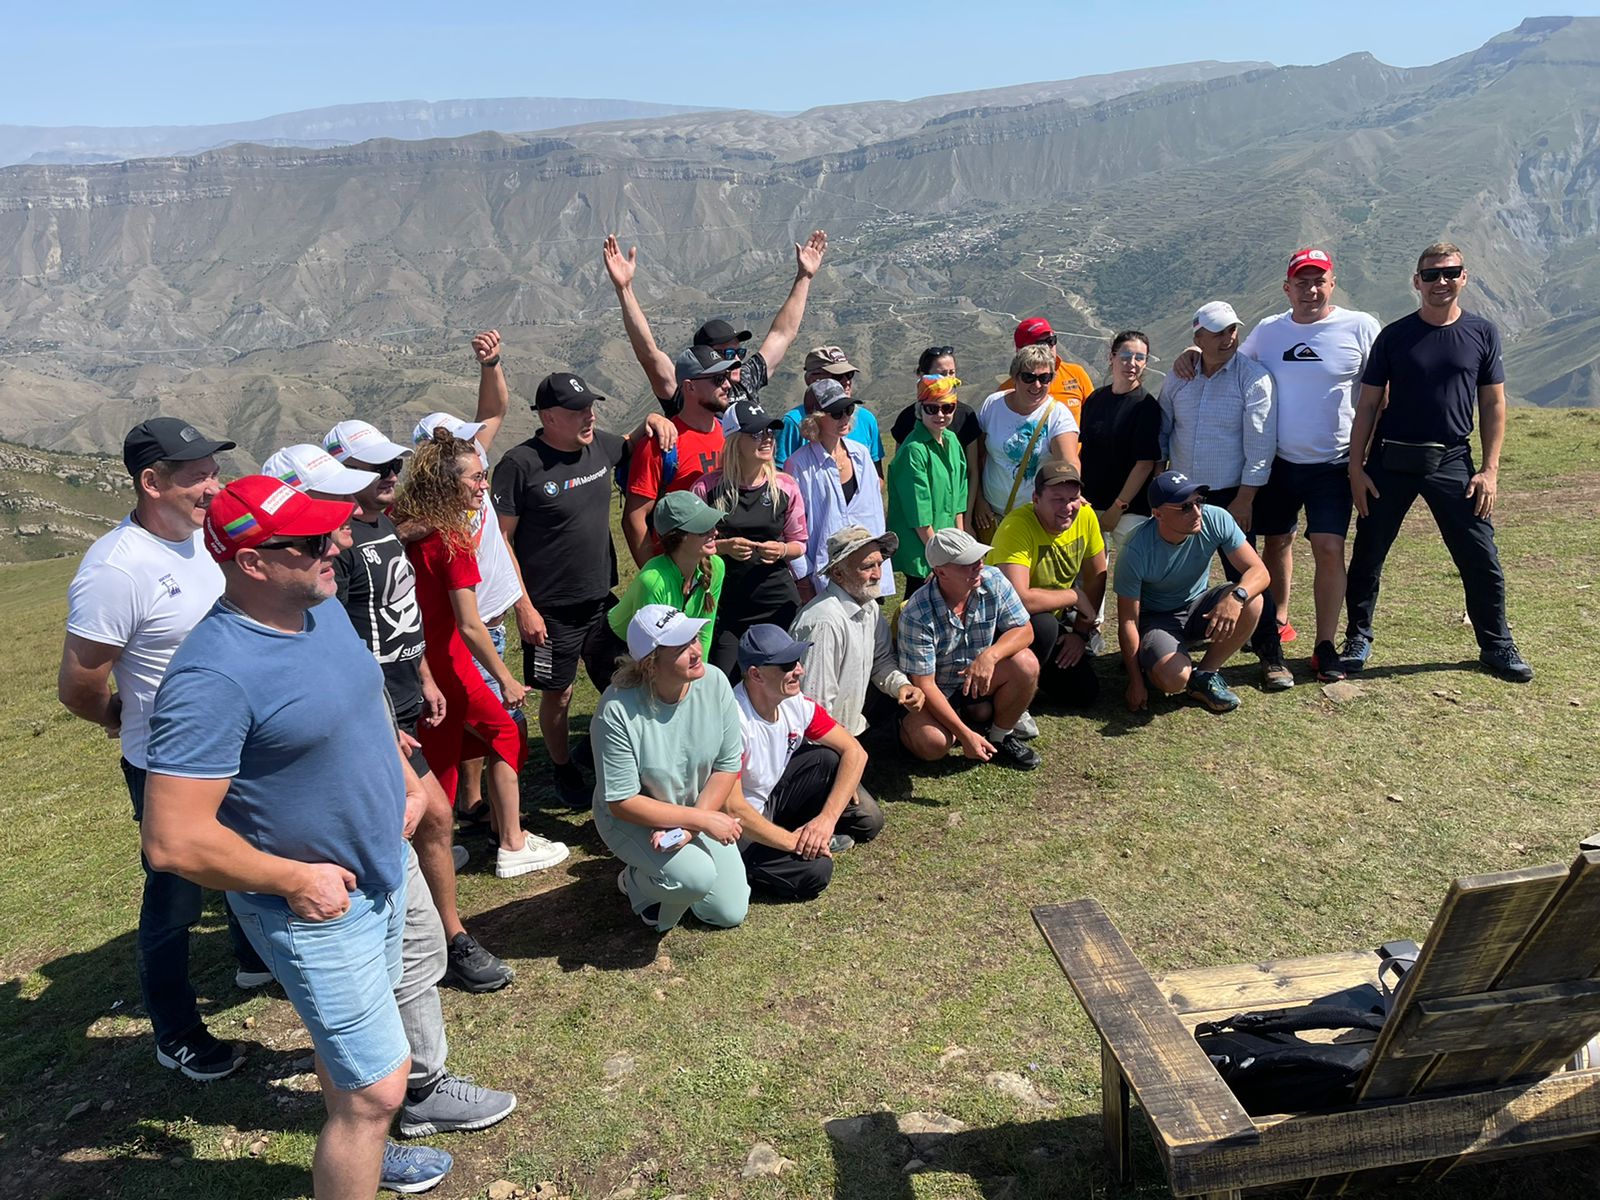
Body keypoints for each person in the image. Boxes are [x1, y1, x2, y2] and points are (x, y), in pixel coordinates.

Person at [141, 475, 454, 1198]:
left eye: (331, 531)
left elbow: (364, 697)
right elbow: (173, 840)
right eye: (313, 540)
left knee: (360, 1069)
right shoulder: (211, 676)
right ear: (251, 562)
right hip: (318, 907)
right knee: (376, 1092)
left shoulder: (319, 608)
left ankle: (367, 1149)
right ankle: (364, 1138)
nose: (336, 545)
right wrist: (294, 879)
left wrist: (406, 780)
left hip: (383, 867)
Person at [58, 417, 271, 1082]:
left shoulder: (209, 538)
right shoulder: (116, 570)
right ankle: (176, 1034)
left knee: (247, 855)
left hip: (238, 747)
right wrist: (123, 719)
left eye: (214, 470)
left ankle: (253, 961)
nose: (215, 486)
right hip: (169, 765)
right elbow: (79, 685)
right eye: (197, 475)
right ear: (151, 483)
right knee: (175, 898)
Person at [261, 442, 513, 994]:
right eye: (371, 469)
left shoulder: (372, 533)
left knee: (432, 816)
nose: (387, 476)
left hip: (391, 702)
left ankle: (442, 938)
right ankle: (397, 946)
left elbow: (400, 612)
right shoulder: (315, 568)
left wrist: (423, 676)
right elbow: (334, 644)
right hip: (363, 714)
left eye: (392, 466)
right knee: (401, 824)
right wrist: (372, 715)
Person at [1344, 242, 1533, 683]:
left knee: (1480, 554)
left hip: (1452, 458)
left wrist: (1490, 470)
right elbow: (1367, 405)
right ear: (1417, 282)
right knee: (1369, 554)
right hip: (1390, 458)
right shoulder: (1394, 336)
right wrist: (1356, 468)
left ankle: (1497, 644)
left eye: (1450, 273)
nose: (1440, 282)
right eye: (1431, 275)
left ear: (1464, 277)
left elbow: (1493, 403)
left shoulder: (1482, 332)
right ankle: (1357, 638)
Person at [490, 369, 677, 807]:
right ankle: (563, 767)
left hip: (601, 601)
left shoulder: (598, 447)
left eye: (590, 407)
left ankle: (609, 753)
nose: (589, 416)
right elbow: (501, 540)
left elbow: (627, 444)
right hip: (549, 609)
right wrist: (523, 607)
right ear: (549, 416)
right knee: (559, 693)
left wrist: (652, 419)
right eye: (577, 411)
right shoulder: (520, 465)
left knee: (628, 676)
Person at [397, 430, 566, 878]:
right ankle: (512, 843)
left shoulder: (408, 529)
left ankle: (430, 854)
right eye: (475, 478)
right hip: (451, 665)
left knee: (442, 761)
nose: (484, 486)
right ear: (446, 484)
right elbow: (470, 624)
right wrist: (505, 679)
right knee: (506, 734)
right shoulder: (453, 541)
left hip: (421, 664)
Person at [1158, 301, 1290, 690]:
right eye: (1218, 332)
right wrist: (1159, 481)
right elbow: (1164, 429)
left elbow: (1260, 444)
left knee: (1245, 574)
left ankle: (1271, 654)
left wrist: (1245, 498)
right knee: (1169, 570)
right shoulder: (1180, 377)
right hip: (1182, 491)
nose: (1228, 338)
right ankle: (1160, 645)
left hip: (1232, 493)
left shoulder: (1253, 378)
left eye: (1232, 329)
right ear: (1197, 336)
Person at [592, 605, 750, 933]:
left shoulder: (715, 682)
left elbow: (726, 766)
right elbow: (622, 802)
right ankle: (637, 883)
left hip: (693, 806)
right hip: (632, 819)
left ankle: (667, 877)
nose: (696, 651)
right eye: (681, 647)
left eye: (694, 638)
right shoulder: (616, 710)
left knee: (729, 911)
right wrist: (703, 821)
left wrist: (690, 827)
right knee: (695, 878)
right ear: (650, 663)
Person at [723, 625, 882, 902]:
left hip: (770, 797)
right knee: (816, 872)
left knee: (867, 818)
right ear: (756, 674)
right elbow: (733, 808)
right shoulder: (735, 722)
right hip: (740, 824)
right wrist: (794, 843)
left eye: (797, 661)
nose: (800, 670)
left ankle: (808, 834)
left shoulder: (794, 701)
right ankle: (748, 869)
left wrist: (826, 820)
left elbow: (855, 752)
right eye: (787, 665)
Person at [602, 230, 827, 418]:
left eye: (739, 352)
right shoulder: (688, 392)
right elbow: (650, 356)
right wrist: (624, 290)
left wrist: (804, 277)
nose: (737, 359)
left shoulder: (746, 378)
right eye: (727, 353)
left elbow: (782, 334)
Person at [1114, 470, 1273, 715]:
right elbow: (1128, 620)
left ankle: (1206, 673)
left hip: (1198, 606)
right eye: (1185, 507)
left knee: (1252, 600)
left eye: (1199, 502)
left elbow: (1259, 572)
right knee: (1174, 680)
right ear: (1158, 514)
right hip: (1157, 619)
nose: (1197, 512)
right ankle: (1153, 662)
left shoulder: (1216, 518)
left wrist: (1236, 597)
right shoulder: (1135, 549)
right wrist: (1135, 681)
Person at [896, 528, 1041, 771]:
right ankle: (911, 727)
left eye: (980, 558)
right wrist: (965, 736)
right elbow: (925, 684)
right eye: (968, 563)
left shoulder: (993, 579)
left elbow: (1025, 630)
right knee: (933, 743)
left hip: (973, 681)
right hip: (937, 691)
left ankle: (1000, 736)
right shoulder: (917, 613)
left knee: (1026, 663)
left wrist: (990, 656)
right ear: (940, 572)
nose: (979, 565)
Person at [692, 400, 808, 677]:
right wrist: (723, 547)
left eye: (769, 432)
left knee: (784, 678)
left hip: (777, 601)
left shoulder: (785, 486)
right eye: (756, 433)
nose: (767, 439)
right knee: (724, 679)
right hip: (726, 605)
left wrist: (781, 550)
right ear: (734, 440)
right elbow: (689, 547)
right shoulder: (706, 489)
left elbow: (799, 543)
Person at [988, 458, 1107, 709]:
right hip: (999, 626)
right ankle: (1011, 694)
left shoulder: (1086, 516)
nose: (1068, 507)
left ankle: (1029, 680)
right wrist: (1074, 597)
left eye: (1073, 498)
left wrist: (1080, 633)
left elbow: (1097, 575)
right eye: (1057, 499)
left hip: (1050, 624)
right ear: (1036, 498)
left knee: (1084, 693)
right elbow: (1019, 599)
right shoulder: (1015, 526)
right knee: (1042, 624)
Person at [790, 525, 924, 738]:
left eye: (879, 564)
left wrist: (901, 686)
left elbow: (881, 659)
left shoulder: (869, 606)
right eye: (867, 567)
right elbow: (815, 704)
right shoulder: (824, 623)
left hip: (848, 730)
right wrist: (847, 748)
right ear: (838, 573)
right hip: (823, 741)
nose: (877, 575)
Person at [622, 345, 738, 567]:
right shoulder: (660, 444)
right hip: (680, 568)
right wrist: (657, 575)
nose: (727, 384)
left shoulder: (729, 435)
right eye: (717, 379)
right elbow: (634, 518)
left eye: (726, 376)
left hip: (726, 566)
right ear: (689, 387)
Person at [783, 378, 894, 601]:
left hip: (870, 575)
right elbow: (792, 527)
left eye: (848, 410)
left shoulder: (862, 455)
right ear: (815, 418)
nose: (844, 417)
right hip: (826, 579)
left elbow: (875, 514)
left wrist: (880, 563)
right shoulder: (798, 465)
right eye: (836, 413)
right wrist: (803, 578)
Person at [973, 342, 1081, 539]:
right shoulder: (993, 405)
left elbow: (1068, 462)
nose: (1037, 385)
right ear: (1015, 377)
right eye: (1029, 377)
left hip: (1035, 518)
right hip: (991, 515)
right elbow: (977, 457)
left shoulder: (1058, 415)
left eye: (1044, 378)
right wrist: (978, 500)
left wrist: (1072, 495)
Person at [609, 490, 725, 658]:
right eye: (703, 528)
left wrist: (701, 670)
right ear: (679, 537)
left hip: (661, 647)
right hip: (618, 648)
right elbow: (650, 651)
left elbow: (704, 632)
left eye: (713, 524)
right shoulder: (653, 582)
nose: (714, 532)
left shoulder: (716, 566)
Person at [1078, 331, 1162, 556]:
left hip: (1129, 510)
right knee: (1089, 572)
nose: (1132, 363)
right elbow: (1085, 450)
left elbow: (1145, 463)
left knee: (1136, 568)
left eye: (1140, 357)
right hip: (1089, 503)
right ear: (1111, 357)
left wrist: (1118, 506)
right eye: (1126, 356)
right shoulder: (1096, 399)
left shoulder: (1146, 406)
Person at [886, 374, 969, 595]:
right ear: (919, 410)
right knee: (921, 601)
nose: (940, 415)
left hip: (947, 545)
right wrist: (939, 557)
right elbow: (918, 513)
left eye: (947, 408)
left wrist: (960, 544)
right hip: (923, 550)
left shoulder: (952, 441)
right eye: (932, 409)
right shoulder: (913, 450)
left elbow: (959, 497)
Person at [890, 345, 983, 516]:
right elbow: (902, 475)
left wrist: (966, 518)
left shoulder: (965, 416)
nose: (947, 378)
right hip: (919, 516)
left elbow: (971, 472)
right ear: (922, 376)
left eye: (951, 373)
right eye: (941, 373)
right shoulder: (907, 419)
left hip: (954, 513)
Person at [773, 346, 885, 469]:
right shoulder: (793, 422)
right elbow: (781, 475)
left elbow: (876, 473)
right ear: (813, 379)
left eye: (849, 375)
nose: (847, 381)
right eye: (838, 376)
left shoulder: (866, 419)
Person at [1004, 317, 1096, 426]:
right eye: (1040, 344)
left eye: (1050, 341)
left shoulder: (1076, 373)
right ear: (1020, 350)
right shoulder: (1005, 392)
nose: (1047, 348)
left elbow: (1097, 416)